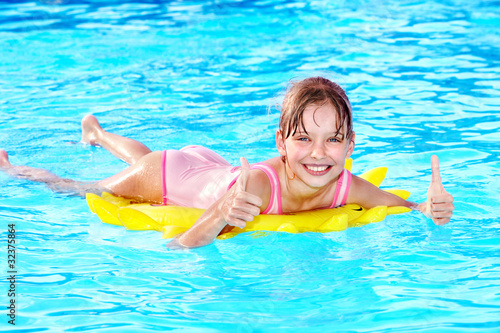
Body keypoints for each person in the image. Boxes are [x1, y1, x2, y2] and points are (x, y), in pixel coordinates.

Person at [0, 77, 454, 248]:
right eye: (303, 138)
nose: (319, 153)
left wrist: (430, 210)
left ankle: (96, 132)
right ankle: (21, 167)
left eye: (333, 140)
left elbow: (401, 205)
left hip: (209, 165)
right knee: (87, 186)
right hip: (171, 175)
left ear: (349, 143)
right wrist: (223, 223)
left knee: (141, 153)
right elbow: (185, 242)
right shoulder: (258, 185)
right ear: (281, 142)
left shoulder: (344, 185)